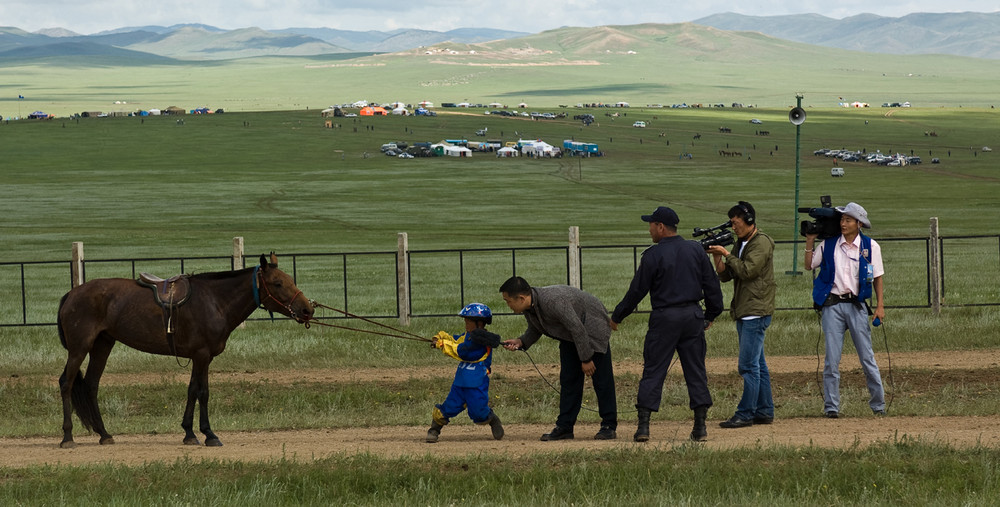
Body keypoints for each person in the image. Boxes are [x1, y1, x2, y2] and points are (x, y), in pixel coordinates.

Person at [611, 206, 724, 442]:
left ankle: (643, 427)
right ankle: (700, 427)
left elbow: (637, 291)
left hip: (664, 318)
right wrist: (710, 315)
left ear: (660, 227)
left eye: (651, 224)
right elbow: (712, 285)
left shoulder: (653, 255)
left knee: (654, 370)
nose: (650, 229)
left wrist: (617, 316)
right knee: (696, 371)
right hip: (693, 316)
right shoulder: (696, 250)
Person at [499, 276, 618, 441]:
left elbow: (578, 328)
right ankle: (565, 427)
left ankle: (608, 426)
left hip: (592, 328)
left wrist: (586, 359)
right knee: (569, 380)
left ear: (521, 298)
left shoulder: (553, 301)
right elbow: (535, 328)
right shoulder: (529, 306)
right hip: (571, 335)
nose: (508, 305)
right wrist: (521, 341)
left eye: (508, 301)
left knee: (602, 381)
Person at [804, 202, 886, 418]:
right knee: (831, 360)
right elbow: (809, 265)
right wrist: (810, 241)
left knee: (867, 358)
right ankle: (831, 407)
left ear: (859, 223)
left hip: (857, 306)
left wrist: (879, 306)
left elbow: (877, 277)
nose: (843, 223)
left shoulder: (870, 246)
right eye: (841, 219)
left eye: (848, 220)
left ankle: (878, 405)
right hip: (832, 305)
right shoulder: (829, 245)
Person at [706, 201, 777, 428]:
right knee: (758, 365)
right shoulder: (742, 242)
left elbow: (748, 271)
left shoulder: (762, 242)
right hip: (746, 310)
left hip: (755, 311)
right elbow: (726, 276)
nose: (734, 228)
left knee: (747, 366)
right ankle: (764, 411)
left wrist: (726, 253)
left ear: (748, 221)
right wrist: (717, 256)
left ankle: (745, 413)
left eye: (736, 223)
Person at [426, 303, 505, 443]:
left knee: (479, 413)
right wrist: (440, 337)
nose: (465, 323)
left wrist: (442, 345)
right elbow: (456, 341)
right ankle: (434, 429)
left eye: (468, 321)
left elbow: (462, 351)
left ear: (479, 323)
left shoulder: (480, 341)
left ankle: (492, 419)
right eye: (465, 320)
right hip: (460, 382)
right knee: (448, 407)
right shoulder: (468, 336)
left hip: (477, 383)